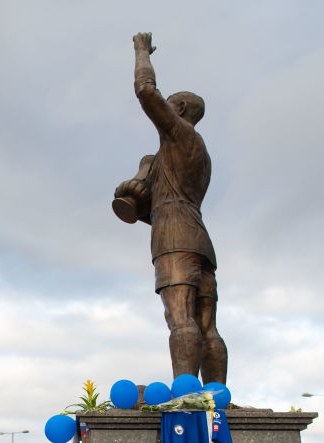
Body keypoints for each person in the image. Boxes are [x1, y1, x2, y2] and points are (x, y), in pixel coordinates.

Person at [113, 32, 226, 382]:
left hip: (174, 239)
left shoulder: (179, 135)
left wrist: (141, 52)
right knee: (208, 326)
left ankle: (186, 398)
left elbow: (147, 91)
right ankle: (216, 400)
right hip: (199, 240)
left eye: (169, 107)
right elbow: (160, 203)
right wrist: (137, 196)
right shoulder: (196, 156)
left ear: (177, 111)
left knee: (180, 318)